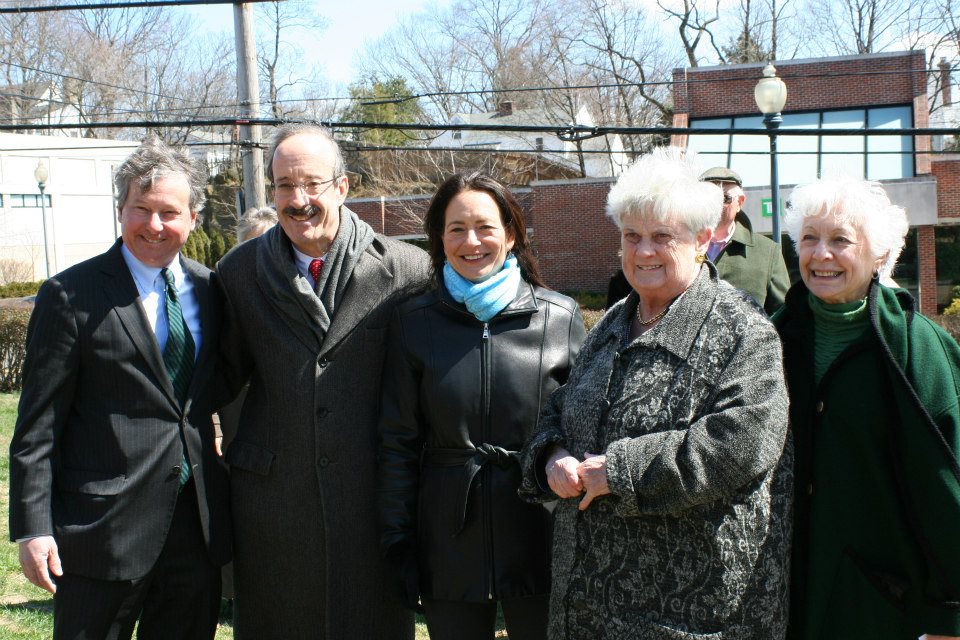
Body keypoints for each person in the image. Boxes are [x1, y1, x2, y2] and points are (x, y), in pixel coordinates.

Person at [519, 146, 792, 639]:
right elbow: (560, 407)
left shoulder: (743, 331)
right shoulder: (612, 322)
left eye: (661, 236)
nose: (643, 251)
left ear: (702, 238)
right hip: (588, 609)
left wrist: (619, 471)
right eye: (632, 236)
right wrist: (552, 455)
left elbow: (740, 444)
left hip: (691, 612)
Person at [8, 138, 230, 639]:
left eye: (169, 212)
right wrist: (33, 527)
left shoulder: (212, 290)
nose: (154, 225)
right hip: (99, 532)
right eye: (140, 210)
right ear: (120, 211)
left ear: (193, 217)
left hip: (195, 531)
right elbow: (36, 426)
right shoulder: (70, 296)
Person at [216, 123, 431, 639]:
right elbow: (216, 380)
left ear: (343, 186)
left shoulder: (407, 269)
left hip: (372, 500)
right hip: (272, 502)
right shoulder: (239, 272)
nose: (299, 199)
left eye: (312, 183)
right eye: (285, 186)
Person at [378, 173, 586, 640]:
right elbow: (397, 441)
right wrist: (397, 540)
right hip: (446, 540)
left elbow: (583, 426)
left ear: (510, 234)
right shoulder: (413, 321)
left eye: (485, 227)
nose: (471, 242)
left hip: (539, 533)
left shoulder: (559, 316)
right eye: (456, 229)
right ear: (439, 238)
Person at [774, 176, 960, 640]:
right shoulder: (770, 338)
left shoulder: (919, 347)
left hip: (880, 605)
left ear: (879, 254)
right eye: (810, 238)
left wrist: (950, 612)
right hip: (781, 594)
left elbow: (948, 479)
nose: (821, 255)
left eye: (841, 240)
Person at [700, 166, 790, 314]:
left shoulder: (767, 251)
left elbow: (782, 314)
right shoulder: (680, 247)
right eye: (706, 197)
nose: (714, 204)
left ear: (740, 202)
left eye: (724, 198)